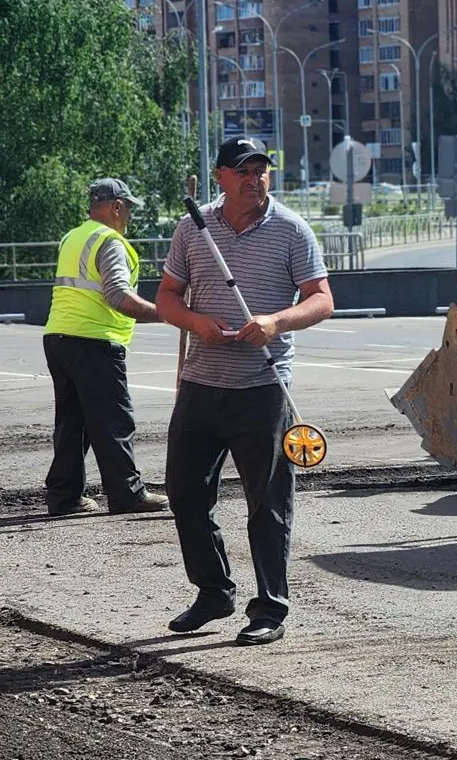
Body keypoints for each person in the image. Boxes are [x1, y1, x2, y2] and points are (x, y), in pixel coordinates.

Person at [156, 139, 335, 646]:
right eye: (244, 171)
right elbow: (167, 297)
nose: (254, 178)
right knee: (184, 492)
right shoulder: (195, 228)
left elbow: (322, 299)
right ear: (220, 177)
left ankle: (269, 609)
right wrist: (197, 323)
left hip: (263, 388)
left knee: (268, 502)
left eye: (261, 170)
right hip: (201, 382)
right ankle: (214, 591)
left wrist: (276, 321)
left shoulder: (291, 230)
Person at [42, 177, 170, 518]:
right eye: (127, 208)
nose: (127, 215)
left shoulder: (74, 236)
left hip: (58, 336)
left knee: (73, 423)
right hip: (94, 340)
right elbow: (117, 295)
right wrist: (168, 314)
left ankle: (64, 496)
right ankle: (127, 493)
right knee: (113, 421)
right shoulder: (110, 241)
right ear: (116, 206)